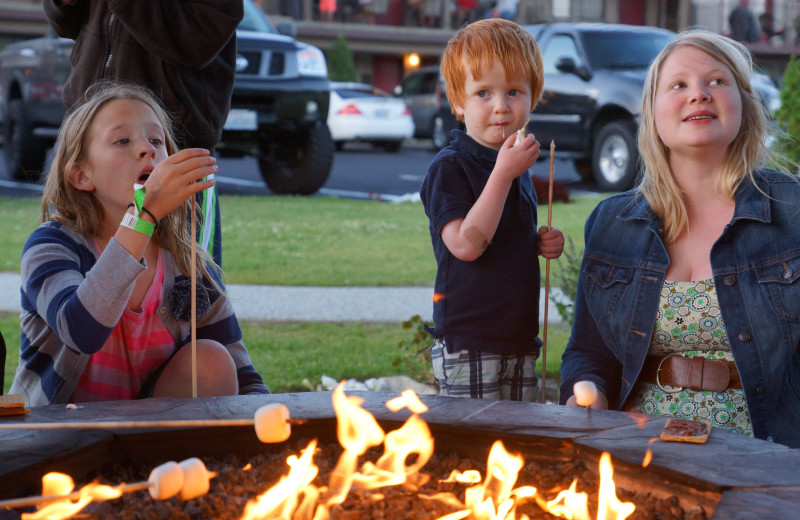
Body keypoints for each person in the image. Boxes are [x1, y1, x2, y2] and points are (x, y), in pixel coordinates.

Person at [559, 29, 800, 448]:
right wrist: (588, 391)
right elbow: (588, 353)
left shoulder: (793, 210)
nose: (699, 94)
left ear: (743, 101)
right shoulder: (612, 222)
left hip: (768, 452)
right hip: (639, 448)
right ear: (652, 114)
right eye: (678, 85)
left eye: (717, 81)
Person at [9, 83, 269, 406]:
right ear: (81, 175)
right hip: (59, 437)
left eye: (156, 140)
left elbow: (244, 378)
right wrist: (142, 215)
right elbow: (82, 330)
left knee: (212, 359)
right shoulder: (51, 246)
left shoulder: (186, 263)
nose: (146, 149)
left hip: (147, 440)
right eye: (122, 140)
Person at [420, 18, 565, 401]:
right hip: (470, 341)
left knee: (517, 449)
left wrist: (537, 242)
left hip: (518, 337)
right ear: (457, 101)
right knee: (474, 448)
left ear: (532, 98)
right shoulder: (450, 167)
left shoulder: (513, 165)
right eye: (483, 93)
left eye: (514, 91)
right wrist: (502, 175)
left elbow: (501, 234)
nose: (500, 107)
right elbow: (466, 245)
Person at [42, 0, 243, 268]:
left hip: (170, 153)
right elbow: (65, 22)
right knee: (75, 273)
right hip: (91, 147)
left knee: (185, 294)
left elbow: (198, 39)